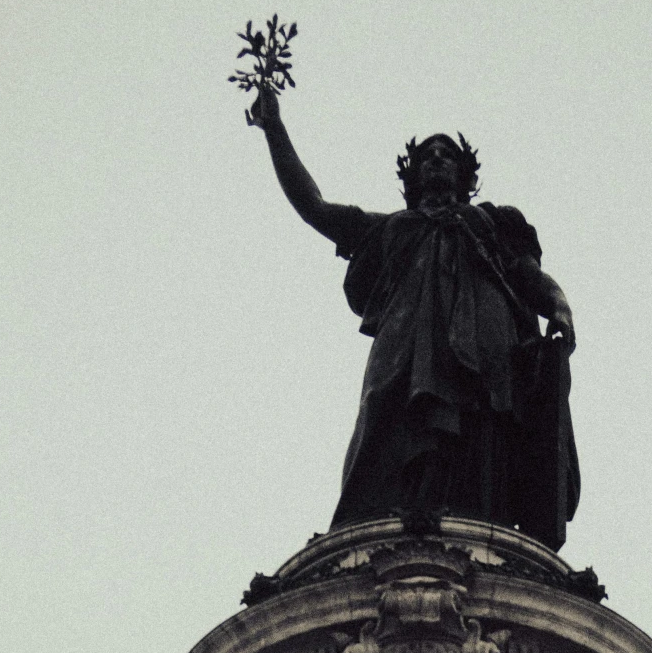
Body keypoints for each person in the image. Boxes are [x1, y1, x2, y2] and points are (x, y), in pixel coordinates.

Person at [248, 82, 579, 547]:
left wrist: (559, 305)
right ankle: (374, 524)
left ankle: (481, 525)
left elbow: (527, 275)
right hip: (404, 346)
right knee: (387, 415)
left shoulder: (491, 222)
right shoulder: (389, 228)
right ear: (414, 174)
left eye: (447, 153)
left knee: (484, 429)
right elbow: (314, 208)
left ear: (464, 173)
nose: (438, 158)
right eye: (428, 154)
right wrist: (274, 129)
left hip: (487, 345)